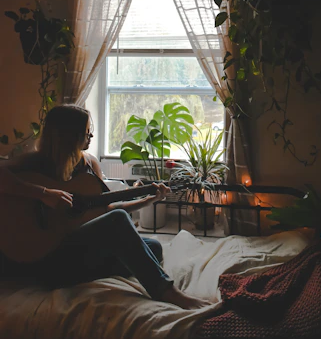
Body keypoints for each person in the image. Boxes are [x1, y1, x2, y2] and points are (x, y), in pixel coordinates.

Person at [0, 104, 210, 309]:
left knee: (153, 248)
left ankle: (70, 277)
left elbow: (104, 211)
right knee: (124, 231)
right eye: (86, 132)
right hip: (46, 256)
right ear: (68, 135)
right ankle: (166, 291)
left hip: (73, 250)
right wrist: (44, 194)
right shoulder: (34, 163)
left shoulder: (89, 165)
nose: (90, 137)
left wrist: (148, 201)